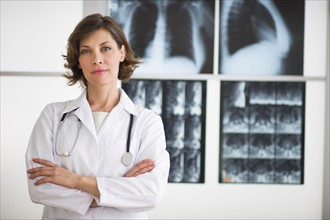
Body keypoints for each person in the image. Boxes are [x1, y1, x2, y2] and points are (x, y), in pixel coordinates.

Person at [25, 13, 170, 219]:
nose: (97, 59)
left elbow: (150, 193)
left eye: (106, 48)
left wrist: (75, 181)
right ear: (79, 62)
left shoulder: (147, 122)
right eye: (86, 51)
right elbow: (39, 188)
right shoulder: (53, 116)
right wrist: (116, 193)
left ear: (121, 52)